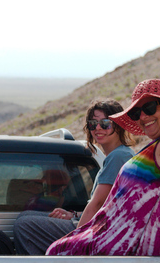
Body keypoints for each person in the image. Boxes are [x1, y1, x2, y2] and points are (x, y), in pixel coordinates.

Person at [46, 79, 160, 256]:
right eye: (137, 113)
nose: (143, 117)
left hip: (134, 248)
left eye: (149, 108)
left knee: (55, 250)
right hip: (123, 243)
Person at [13, 100, 135, 254]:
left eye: (105, 123)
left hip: (98, 231)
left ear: (118, 124)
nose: (98, 128)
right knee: (26, 216)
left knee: (24, 224)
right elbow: (106, 205)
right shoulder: (119, 154)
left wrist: (77, 240)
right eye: (93, 123)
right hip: (96, 225)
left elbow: (97, 204)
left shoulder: (118, 156)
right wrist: (74, 215)